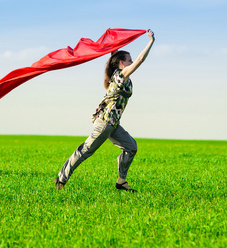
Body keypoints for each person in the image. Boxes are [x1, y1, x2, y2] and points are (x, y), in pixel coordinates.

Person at [55, 29, 155, 192]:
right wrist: (150, 41)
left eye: (130, 60)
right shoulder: (121, 75)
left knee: (131, 147)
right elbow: (140, 60)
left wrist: (114, 41)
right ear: (121, 63)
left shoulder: (120, 75)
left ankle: (121, 181)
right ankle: (61, 177)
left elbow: (113, 53)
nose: (131, 62)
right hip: (105, 122)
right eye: (128, 60)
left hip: (113, 124)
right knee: (85, 151)